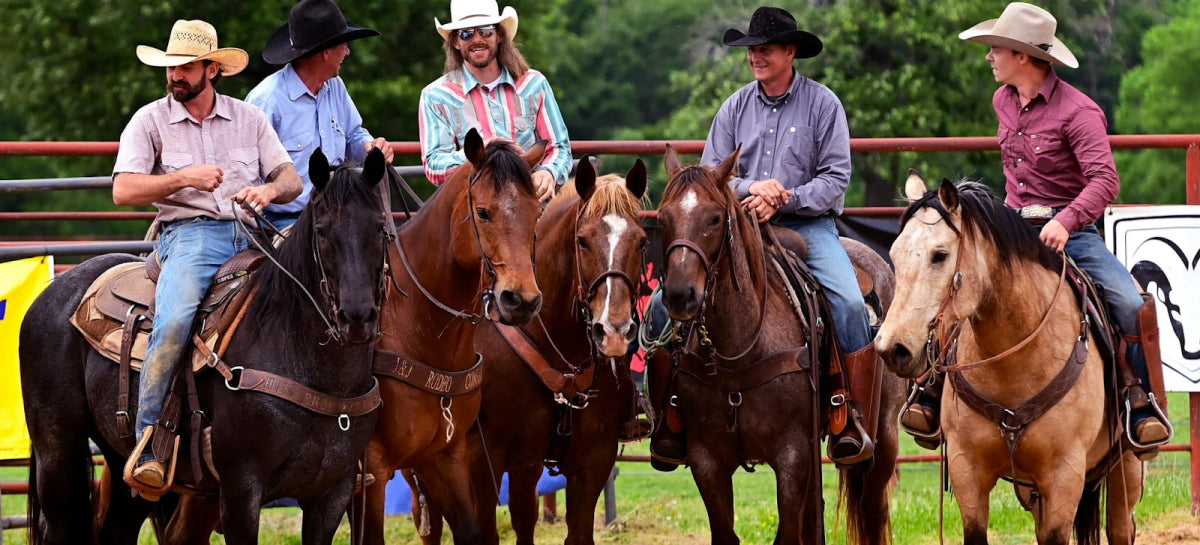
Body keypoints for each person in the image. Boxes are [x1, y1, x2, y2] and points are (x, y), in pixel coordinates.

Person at [902, 1, 1171, 449]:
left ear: (1022, 56)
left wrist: (1066, 221)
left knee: (1128, 301)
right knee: (959, 282)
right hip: (1013, 227)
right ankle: (930, 391)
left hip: (1072, 233)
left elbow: (1106, 180)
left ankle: (1137, 399)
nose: (989, 57)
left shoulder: (1079, 111)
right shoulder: (1002, 100)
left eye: (995, 50)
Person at [650, 6, 882, 467]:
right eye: (752, 50)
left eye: (766, 49)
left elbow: (836, 179)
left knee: (850, 302)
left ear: (790, 52)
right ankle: (669, 415)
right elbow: (711, 176)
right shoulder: (734, 106)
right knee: (663, 305)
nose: (756, 57)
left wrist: (787, 197)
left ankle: (848, 414)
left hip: (807, 225)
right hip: (741, 228)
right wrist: (751, 188)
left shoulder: (823, 104)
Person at [113, 19, 301, 492]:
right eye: (171, 67)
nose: (176, 75)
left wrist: (267, 190)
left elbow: (291, 180)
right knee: (174, 320)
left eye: (187, 66)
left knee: (319, 292)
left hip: (254, 230)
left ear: (212, 69)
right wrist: (182, 179)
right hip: (190, 235)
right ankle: (151, 441)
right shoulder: (149, 120)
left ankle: (332, 433)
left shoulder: (249, 118)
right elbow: (123, 190)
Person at [247, 0, 393, 232]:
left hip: (339, 211)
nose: (347, 51)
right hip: (286, 221)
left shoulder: (336, 87)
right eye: (344, 45)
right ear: (325, 52)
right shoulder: (267, 100)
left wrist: (370, 146)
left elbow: (354, 133)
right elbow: (249, 173)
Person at [418, 0, 571, 202]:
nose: (477, 39)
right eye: (466, 33)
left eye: (485, 31)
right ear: (456, 42)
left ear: (499, 35)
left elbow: (559, 147)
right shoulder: (436, 96)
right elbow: (434, 165)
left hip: (531, 201)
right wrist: (483, 152)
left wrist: (548, 172)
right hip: (475, 212)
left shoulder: (534, 84)